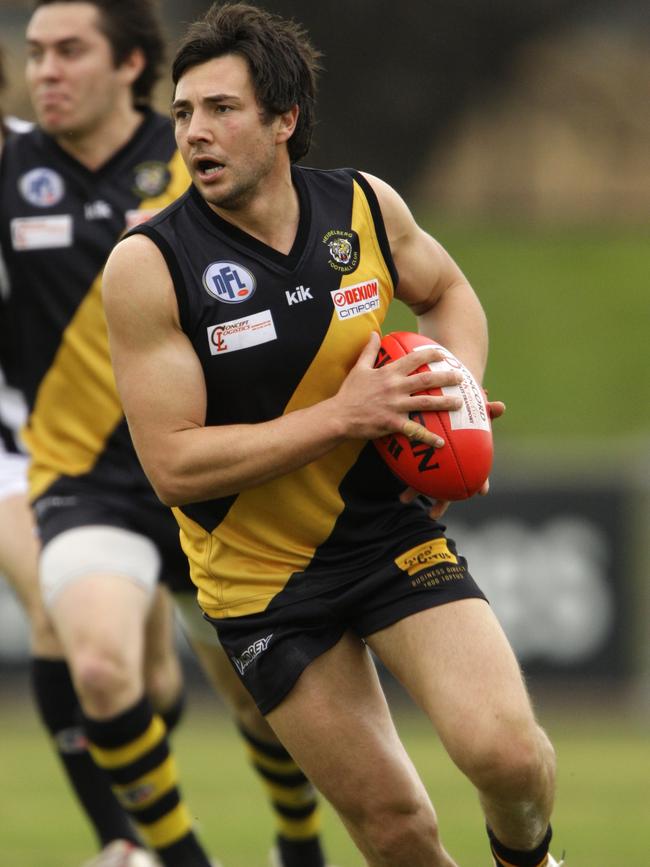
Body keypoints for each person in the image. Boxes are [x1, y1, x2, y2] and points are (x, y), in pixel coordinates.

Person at [102, 3, 564, 867]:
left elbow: (448, 291)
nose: (195, 133)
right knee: (397, 827)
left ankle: (533, 857)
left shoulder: (362, 206)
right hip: (261, 584)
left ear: (285, 119)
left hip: (386, 533)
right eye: (182, 114)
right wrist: (343, 416)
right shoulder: (150, 265)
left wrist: (449, 389)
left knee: (507, 756)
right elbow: (172, 465)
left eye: (221, 110)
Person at [0, 4, 331, 867]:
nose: (46, 72)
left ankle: (298, 840)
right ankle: (172, 856)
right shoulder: (13, 161)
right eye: (34, 54)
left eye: (70, 51)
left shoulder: (199, 159)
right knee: (100, 666)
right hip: (85, 480)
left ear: (132, 65)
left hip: (209, 472)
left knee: (257, 702)